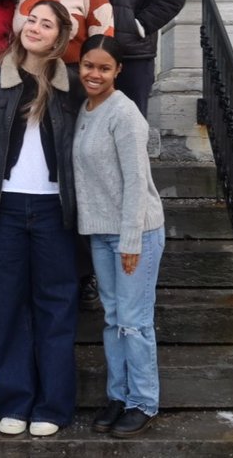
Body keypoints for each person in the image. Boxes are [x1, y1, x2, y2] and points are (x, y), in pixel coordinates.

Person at [0, 0, 85, 438]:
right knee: (5, 306)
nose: (35, 27)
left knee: (56, 307)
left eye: (46, 23)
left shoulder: (71, 86)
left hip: (55, 209)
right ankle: (15, 401)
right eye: (31, 19)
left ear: (60, 37)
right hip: (5, 208)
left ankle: (53, 406)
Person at [15, 0, 113, 309]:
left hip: (71, 86)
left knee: (76, 177)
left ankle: (84, 271)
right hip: (30, 85)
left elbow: (103, 40)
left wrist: (91, 85)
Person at [72, 34, 165, 439]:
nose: (94, 74)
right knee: (112, 320)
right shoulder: (86, 109)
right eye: (88, 66)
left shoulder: (124, 115)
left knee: (134, 322)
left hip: (135, 232)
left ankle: (143, 401)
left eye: (104, 68)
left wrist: (130, 240)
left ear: (118, 71)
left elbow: (135, 182)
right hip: (100, 232)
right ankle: (118, 395)